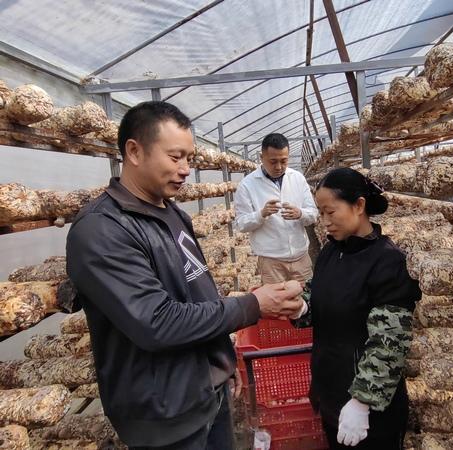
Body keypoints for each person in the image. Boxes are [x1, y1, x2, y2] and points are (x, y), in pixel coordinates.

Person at [66, 101, 304, 450]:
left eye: (189, 159)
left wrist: (222, 360)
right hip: (165, 415)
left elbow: (197, 293)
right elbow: (156, 322)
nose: (185, 170)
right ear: (134, 151)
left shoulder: (172, 214)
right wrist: (252, 305)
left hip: (205, 391)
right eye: (175, 157)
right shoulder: (103, 231)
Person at [294, 167, 422, 449]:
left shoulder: (388, 263)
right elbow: (321, 294)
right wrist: (301, 307)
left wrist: (363, 401)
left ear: (359, 206)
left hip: (367, 410)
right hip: (330, 390)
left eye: (330, 212)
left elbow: (390, 341)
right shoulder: (331, 251)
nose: (324, 221)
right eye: (320, 212)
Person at [233, 133, 318, 284]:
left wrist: (300, 213)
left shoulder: (297, 178)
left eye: (283, 161)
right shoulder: (247, 185)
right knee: (278, 306)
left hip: (301, 258)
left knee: (308, 301)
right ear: (261, 157)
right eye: (273, 161)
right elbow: (240, 224)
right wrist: (261, 214)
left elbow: (313, 214)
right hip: (271, 263)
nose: (279, 167)